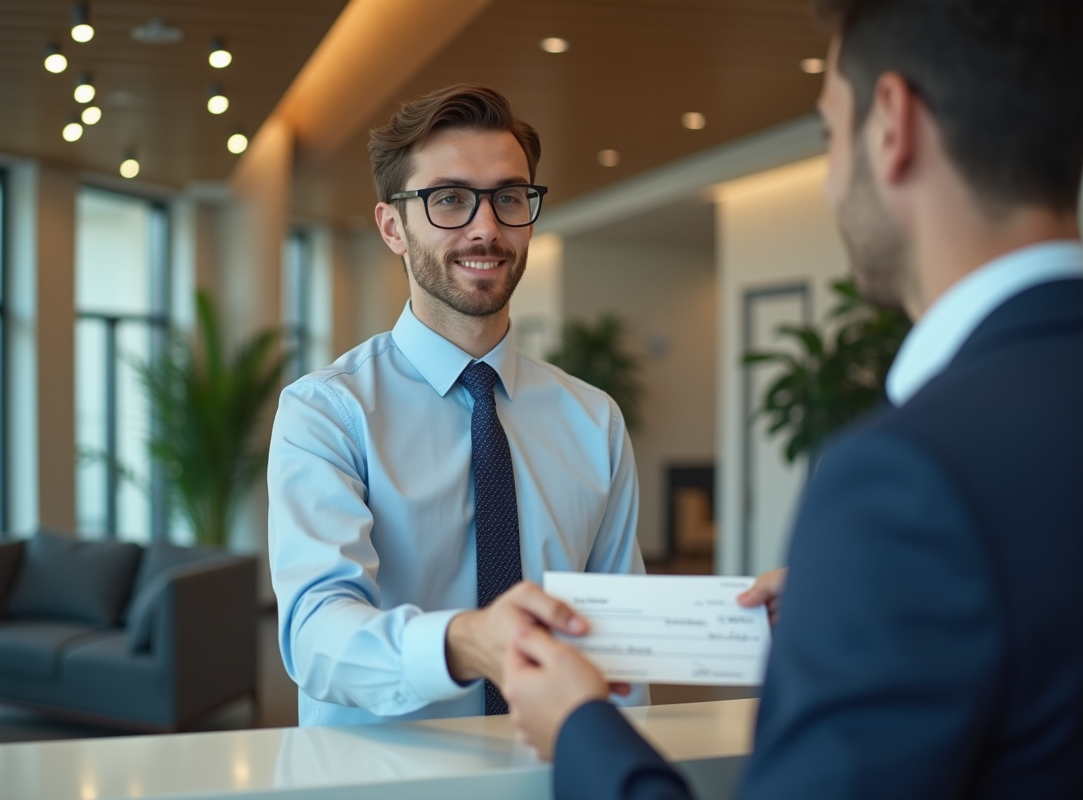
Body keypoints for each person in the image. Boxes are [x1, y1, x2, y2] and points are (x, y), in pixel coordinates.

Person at [503, 0, 1083, 797]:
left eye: (827, 134)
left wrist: (579, 729)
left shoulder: (905, 481)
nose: (832, 176)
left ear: (891, 124)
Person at [267, 84, 648, 727]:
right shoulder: (327, 413)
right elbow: (317, 636)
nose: (486, 228)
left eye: (508, 198)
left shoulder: (595, 421)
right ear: (394, 226)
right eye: (448, 199)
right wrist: (464, 644)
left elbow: (617, 648)